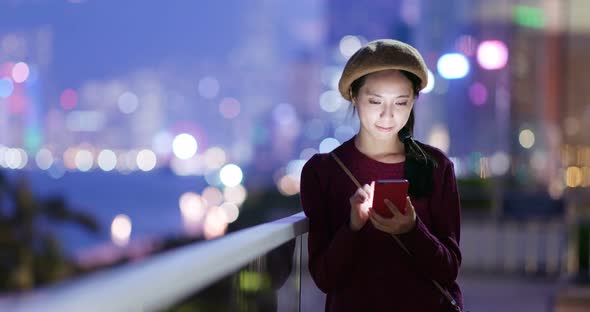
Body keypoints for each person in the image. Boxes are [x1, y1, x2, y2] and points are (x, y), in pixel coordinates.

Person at [300, 39, 463, 311]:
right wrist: (353, 226)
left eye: (401, 102)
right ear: (354, 95)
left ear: (413, 101)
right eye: (375, 101)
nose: (387, 115)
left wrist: (412, 230)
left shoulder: (436, 166)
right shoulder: (323, 171)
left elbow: (448, 270)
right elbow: (324, 277)